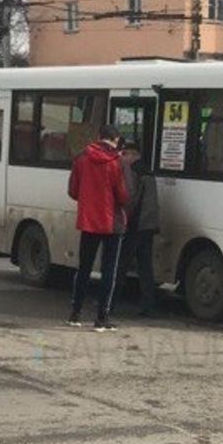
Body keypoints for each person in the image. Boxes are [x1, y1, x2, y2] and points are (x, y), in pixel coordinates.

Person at [67, 124, 130, 332]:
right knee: (109, 270)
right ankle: (102, 318)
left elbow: (73, 191)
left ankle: (75, 313)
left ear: (98, 137)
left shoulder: (81, 158)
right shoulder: (117, 162)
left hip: (88, 221)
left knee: (84, 267)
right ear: (116, 139)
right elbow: (123, 195)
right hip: (113, 223)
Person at [117, 141, 161, 317]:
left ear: (134, 154)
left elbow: (131, 200)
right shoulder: (148, 172)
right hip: (149, 224)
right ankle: (149, 304)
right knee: (145, 266)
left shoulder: (134, 172)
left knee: (121, 264)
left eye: (125, 154)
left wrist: (123, 219)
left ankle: (110, 302)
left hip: (136, 224)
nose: (123, 158)